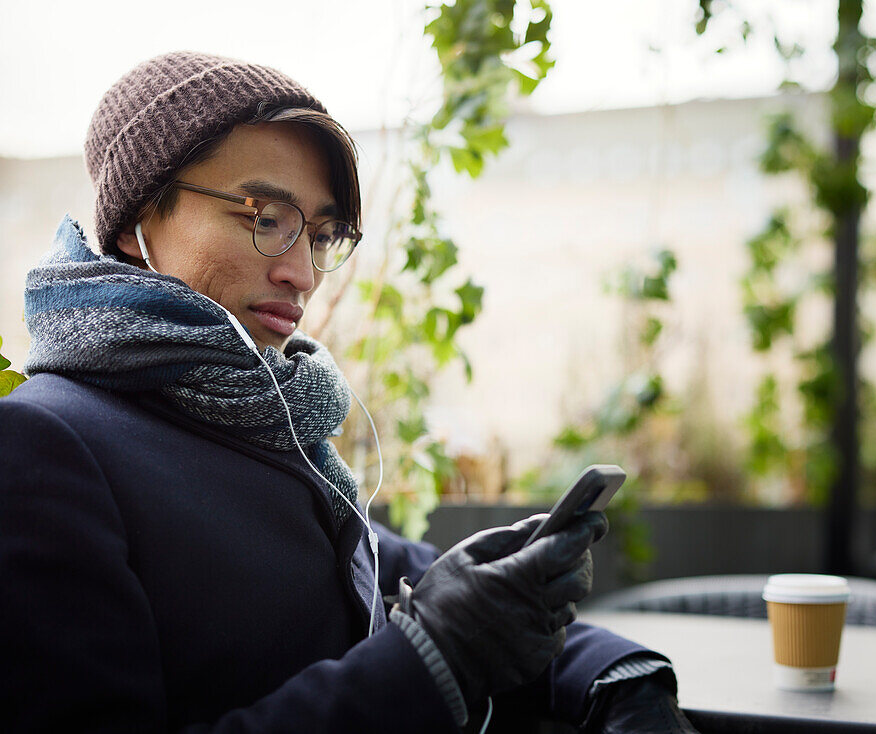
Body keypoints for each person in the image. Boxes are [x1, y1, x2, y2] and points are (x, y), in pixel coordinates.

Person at [0, 52, 700, 733]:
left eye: (324, 234)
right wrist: (434, 661)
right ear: (135, 224)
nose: (302, 274)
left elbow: (399, 572)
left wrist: (617, 673)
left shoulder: (262, 415)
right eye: (264, 218)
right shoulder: (44, 446)